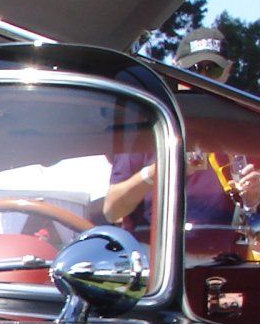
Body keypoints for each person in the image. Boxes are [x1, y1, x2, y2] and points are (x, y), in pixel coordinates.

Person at [104, 27, 260, 228]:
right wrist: (161, 169)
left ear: (228, 71)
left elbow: (253, 221)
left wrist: (253, 198)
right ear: (175, 68)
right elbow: (112, 210)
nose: (202, 78)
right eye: (192, 70)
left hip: (227, 245)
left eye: (213, 69)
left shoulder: (245, 131)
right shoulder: (153, 122)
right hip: (160, 245)